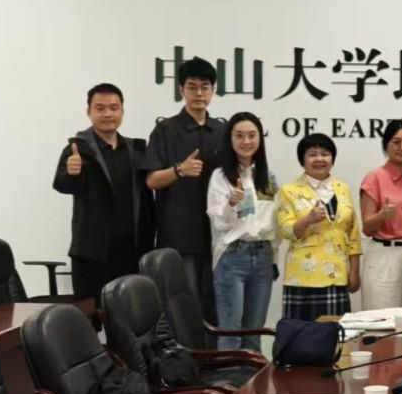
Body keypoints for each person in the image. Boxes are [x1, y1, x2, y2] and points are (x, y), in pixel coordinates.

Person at [51, 83, 154, 303]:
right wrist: (72, 172)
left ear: (122, 112)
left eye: (114, 108)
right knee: (91, 313)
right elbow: (61, 184)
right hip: (92, 253)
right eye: (100, 108)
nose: (107, 114)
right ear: (88, 112)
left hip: (131, 252)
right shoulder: (78, 149)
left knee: (131, 314)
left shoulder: (136, 150)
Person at [145, 57, 227, 322]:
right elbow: (151, 180)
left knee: (217, 309)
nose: (199, 93)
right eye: (192, 87)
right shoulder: (166, 130)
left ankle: (215, 351)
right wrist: (180, 170)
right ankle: (186, 352)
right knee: (184, 310)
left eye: (205, 87)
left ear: (213, 90)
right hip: (180, 236)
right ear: (181, 89)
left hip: (218, 236)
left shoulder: (223, 131)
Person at [206, 112, 278, 349]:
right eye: (239, 136)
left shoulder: (268, 177)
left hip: (263, 257)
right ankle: (229, 375)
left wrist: (274, 258)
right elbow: (219, 223)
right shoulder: (220, 176)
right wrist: (231, 203)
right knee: (231, 332)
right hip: (232, 257)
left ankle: (250, 375)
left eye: (252, 135)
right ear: (230, 139)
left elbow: (274, 224)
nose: (246, 141)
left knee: (254, 333)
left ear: (260, 139)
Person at [276, 134, 361, 321]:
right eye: (312, 154)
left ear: (332, 159)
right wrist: (308, 219)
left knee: (334, 333)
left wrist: (354, 271)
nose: (320, 159)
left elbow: (353, 233)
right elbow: (285, 230)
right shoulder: (289, 190)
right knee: (301, 333)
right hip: (303, 277)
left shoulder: (343, 188)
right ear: (303, 160)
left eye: (325, 154)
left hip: (337, 275)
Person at [359, 120, 402, 310]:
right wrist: (382, 215)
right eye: (396, 142)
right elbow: (367, 228)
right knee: (382, 317)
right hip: (385, 253)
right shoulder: (374, 178)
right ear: (386, 145)